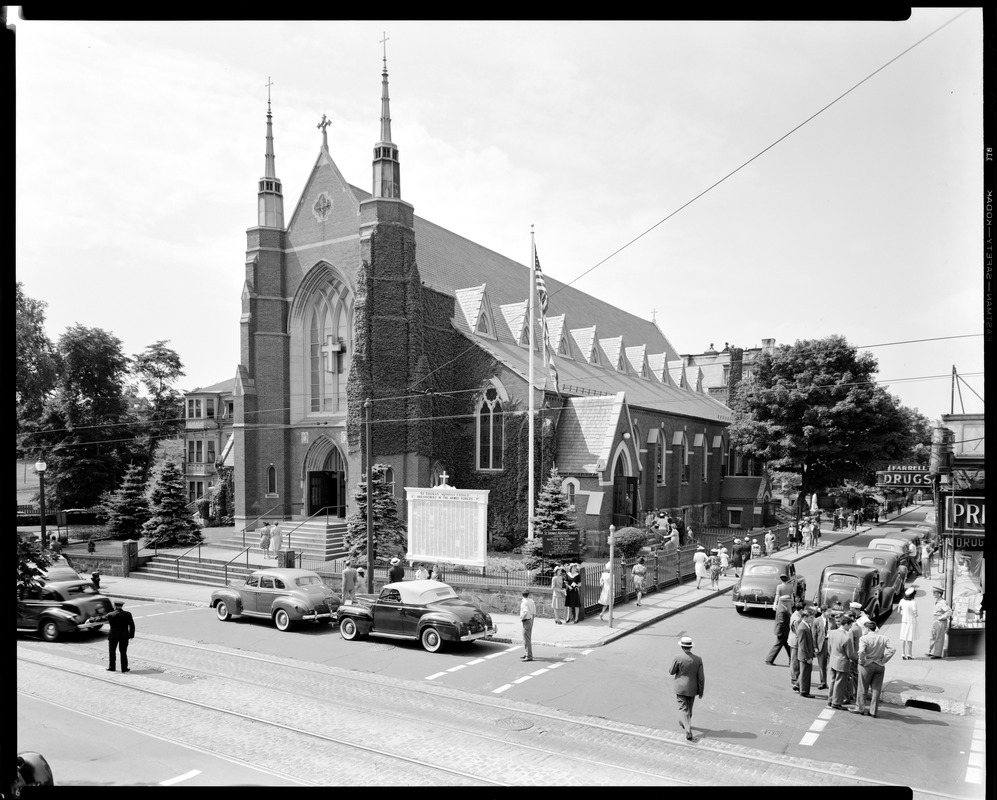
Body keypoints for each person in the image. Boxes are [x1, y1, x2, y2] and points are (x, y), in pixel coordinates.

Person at [854, 620, 895, 717]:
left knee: (862, 688)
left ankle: (860, 708)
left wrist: (862, 661)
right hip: (879, 665)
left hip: (867, 665)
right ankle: (873, 712)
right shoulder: (884, 638)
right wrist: (884, 659)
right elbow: (892, 649)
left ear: (867, 629)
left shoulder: (864, 638)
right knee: (876, 690)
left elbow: (861, 651)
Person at [669, 636, 705, 741]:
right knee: (689, 708)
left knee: (683, 708)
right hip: (692, 688)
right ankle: (683, 722)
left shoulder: (678, 658)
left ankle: (688, 730)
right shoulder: (698, 659)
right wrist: (701, 691)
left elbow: (671, 671)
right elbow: (701, 677)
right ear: (690, 647)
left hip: (680, 687)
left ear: (682, 646)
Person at [826, 614, 857, 710]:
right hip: (842, 663)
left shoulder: (832, 633)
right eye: (850, 625)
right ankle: (836, 702)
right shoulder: (846, 638)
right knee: (839, 684)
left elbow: (829, 647)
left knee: (832, 681)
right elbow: (850, 655)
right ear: (846, 624)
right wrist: (857, 660)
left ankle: (830, 700)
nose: (850, 628)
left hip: (833, 660)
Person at [101, 600, 135, 673]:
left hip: (113, 636)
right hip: (124, 636)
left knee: (112, 652)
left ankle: (112, 667)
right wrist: (131, 635)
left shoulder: (110, 614)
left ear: (115, 606)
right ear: (121, 606)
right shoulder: (128, 614)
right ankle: (124, 668)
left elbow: (101, 619)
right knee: (123, 652)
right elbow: (132, 625)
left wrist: (90, 620)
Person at [765, 594, 793, 665]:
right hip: (783, 632)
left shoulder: (783, 608)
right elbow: (781, 623)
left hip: (784, 632)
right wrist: (782, 633)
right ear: (785, 602)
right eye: (789, 602)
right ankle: (769, 659)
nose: (790, 603)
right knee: (778, 646)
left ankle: (791, 660)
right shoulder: (782, 611)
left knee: (787, 646)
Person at [796, 607, 817, 697]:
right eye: (811, 617)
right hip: (805, 656)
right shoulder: (802, 628)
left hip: (807, 654)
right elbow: (802, 645)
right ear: (805, 617)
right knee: (805, 674)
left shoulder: (806, 626)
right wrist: (807, 657)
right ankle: (804, 691)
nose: (812, 619)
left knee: (806, 672)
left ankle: (798, 686)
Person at [928, 586, 951, 658]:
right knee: (932, 636)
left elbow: (949, 612)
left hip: (940, 621)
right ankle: (931, 652)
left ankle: (937, 654)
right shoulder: (937, 601)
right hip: (935, 620)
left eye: (935, 593)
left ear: (939, 594)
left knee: (939, 637)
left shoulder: (943, 602)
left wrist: (941, 617)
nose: (933, 594)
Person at [813, 605, 831, 691]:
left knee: (830, 664)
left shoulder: (832, 621)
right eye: (828, 611)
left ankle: (829, 682)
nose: (830, 613)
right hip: (821, 645)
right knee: (821, 664)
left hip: (830, 644)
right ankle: (823, 682)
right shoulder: (816, 621)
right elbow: (814, 635)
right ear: (823, 612)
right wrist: (815, 647)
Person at [788, 601, 804, 691]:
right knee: (794, 661)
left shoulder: (795, 615)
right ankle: (794, 677)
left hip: (793, 640)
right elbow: (798, 631)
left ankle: (794, 676)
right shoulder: (797, 618)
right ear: (801, 610)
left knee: (794, 660)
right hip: (795, 641)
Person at [898, 587, 918, 659]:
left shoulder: (902, 601)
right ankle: (909, 654)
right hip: (911, 621)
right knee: (909, 638)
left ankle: (903, 653)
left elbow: (899, 611)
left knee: (903, 637)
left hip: (904, 621)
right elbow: (915, 614)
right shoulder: (913, 602)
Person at [519, 590, 536, 661]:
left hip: (526, 620)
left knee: (526, 639)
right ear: (528, 595)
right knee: (528, 638)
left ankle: (529, 655)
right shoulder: (531, 601)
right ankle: (527, 653)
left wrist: (521, 618)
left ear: (522, 595)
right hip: (531, 619)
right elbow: (534, 611)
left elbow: (525, 612)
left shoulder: (524, 602)